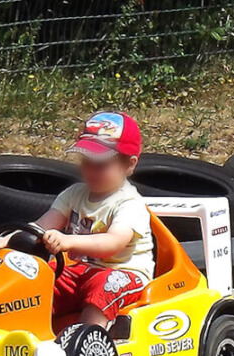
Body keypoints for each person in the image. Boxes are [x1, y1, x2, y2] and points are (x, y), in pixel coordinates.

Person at [32, 111, 155, 332]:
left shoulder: (129, 203)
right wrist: (8, 239)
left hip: (123, 272)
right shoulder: (74, 194)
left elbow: (113, 243)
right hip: (80, 271)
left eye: (101, 163)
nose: (91, 169)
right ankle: (26, 335)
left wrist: (68, 242)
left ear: (129, 165)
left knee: (104, 286)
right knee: (38, 278)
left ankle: (86, 340)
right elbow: (41, 227)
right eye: (87, 161)